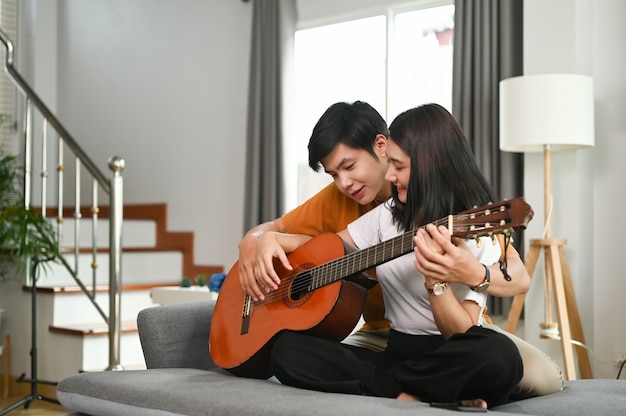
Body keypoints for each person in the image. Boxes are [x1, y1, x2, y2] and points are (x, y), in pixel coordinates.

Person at [237, 101, 563, 398]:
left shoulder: (465, 220)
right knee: (287, 350)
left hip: (454, 343)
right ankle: (423, 391)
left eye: (349, 167)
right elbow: (327, 249)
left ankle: (405, 387)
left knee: (500, 357)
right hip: (390, 342)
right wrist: (266, 239)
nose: (343, 183)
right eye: (335, 174)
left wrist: (454, 277)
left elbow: (512, 280)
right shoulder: (382, 214)